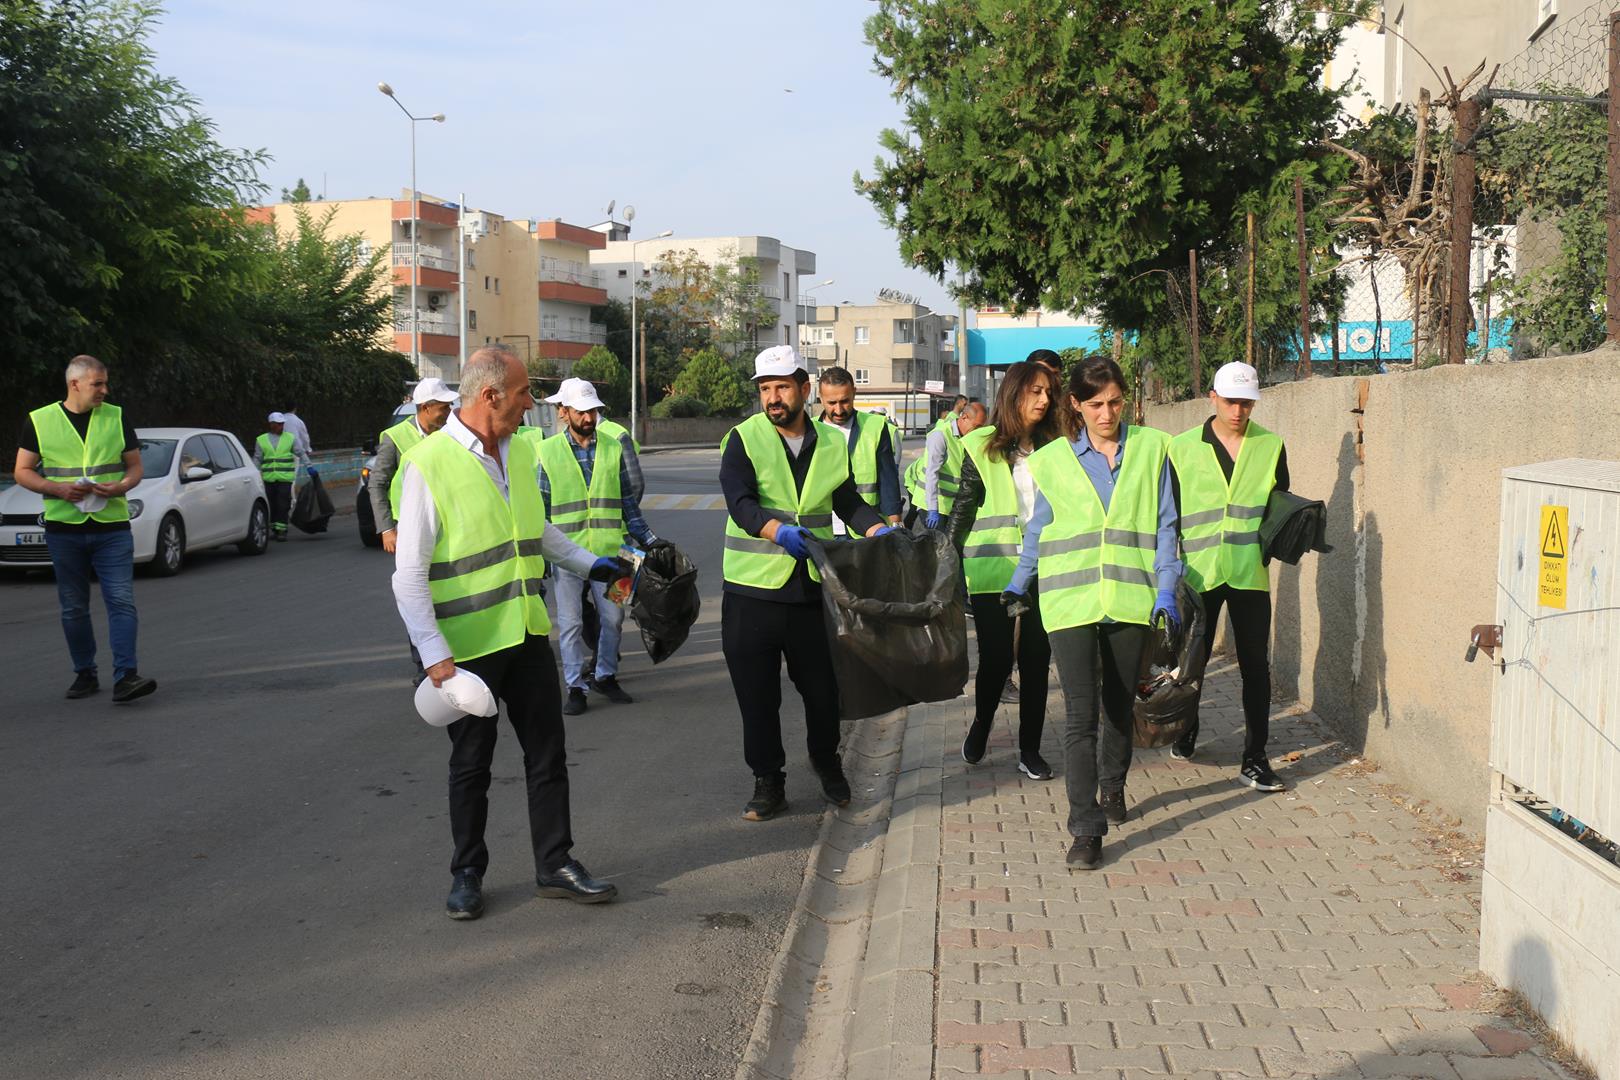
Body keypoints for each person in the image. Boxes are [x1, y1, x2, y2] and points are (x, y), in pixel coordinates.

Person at [391, 345, 622, 919]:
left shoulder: (518, 453)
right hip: (465, 649)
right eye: (523, 395)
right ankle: (467, 873)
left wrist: (593, 565)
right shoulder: (429, 463)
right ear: (490, 395)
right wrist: (435, 657)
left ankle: (556, 865)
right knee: (471, 764)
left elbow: (536, 531)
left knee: (548, 754)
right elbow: (409, 576)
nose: (531, 406)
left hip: (523, 633)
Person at [1004, 357, 1181, 870]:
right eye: (1096, 404)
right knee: (1080, 716)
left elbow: (1166, 526)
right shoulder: (1053, 460)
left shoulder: (1152, 449)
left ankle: (1113, 786)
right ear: (1076, 406)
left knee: (1119, 706)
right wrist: (1021, 579)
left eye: (1116, 402)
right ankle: (1085, 828)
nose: (1108, 413)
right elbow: (1040, 527)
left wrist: (1166, 590)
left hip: (1130, 599)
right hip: (1070, 603)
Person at [720, 345, 892, 821]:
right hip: (751, 590)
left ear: (803, 387)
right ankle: (768, 781)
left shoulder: (833, 443)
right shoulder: (743, 438)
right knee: (757, 696)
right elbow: (740, 502)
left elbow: (846, 500)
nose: (772, 398)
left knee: (821, 690)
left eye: (781, 387)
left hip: (811, 589)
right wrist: (778, 531)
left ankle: (826, 762)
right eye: (765, 389)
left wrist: (879, 530)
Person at [1167, 361, 1291, 792]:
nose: (1239, 411)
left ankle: (1255, 759)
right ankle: (1186, 729)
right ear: (1213, 398)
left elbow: (1278, 506)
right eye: (1232, 401)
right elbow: (1167, 514)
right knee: (1193, 661)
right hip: (1199, 573)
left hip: (1248, 571)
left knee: (1256, 667)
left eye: (1247, 403)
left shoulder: (1271, 445)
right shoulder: (1180, 448)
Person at [14, 355, 157, 703]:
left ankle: (127, 676)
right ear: (74, 384)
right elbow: (22, 471)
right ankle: (85, 673)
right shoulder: (40, 420)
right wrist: (57, 489)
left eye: (106, 383)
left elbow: (135, 466)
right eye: (98, 384)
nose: (104, 390)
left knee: (121, 601)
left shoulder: (117, 416)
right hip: (65, 529)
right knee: (73, 607)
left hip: (112, 527)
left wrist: (122, 486)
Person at [949, 361, 1064, 779]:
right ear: (1014, 394)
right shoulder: (980, 445)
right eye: (1035, 391)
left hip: (1044, 567)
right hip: (991, 568)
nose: (1044, 400)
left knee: (1036, 659)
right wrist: (946, 557)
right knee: (997, 660)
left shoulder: (1061, 446)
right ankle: (981, 725)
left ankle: (1029, 750)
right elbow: (963, 506)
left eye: (1048, 392)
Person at [537, 377, 662, 716]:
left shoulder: (613, 446)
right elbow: (540, 513)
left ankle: (605, 675)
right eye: (582, 412)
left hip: (617, 552)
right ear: (564, 413)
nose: (589, 418)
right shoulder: (546, 451)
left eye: (593, 411)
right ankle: (575, 686)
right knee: (571, 623)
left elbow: (628, 504)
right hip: (568, 556)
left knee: (614, 619)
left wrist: (650, 542)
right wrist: (539, 564)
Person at [370, 378, 460, 555]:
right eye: (444, 407)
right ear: (426, 407)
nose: (450, 412)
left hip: (448, 521)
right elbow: (377, 484)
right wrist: (387, 529)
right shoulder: (395, 437)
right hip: (411, 523)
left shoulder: (451, 434)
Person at [817, 365, 902, 534]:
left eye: (845, 401)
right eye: (832, 403)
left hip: (866, 528)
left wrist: (896, 524)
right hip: (824, 529)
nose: (839, 410)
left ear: (854, 393)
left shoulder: (875, 427)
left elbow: (888, 481)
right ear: (820, 398)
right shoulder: (811, 430)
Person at [904, 400, 985, 528]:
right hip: (933, 505)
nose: (977, 432)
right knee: (937, 545)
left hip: (952, 505)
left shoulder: (967, 438)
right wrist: (932, 508)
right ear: (964, 418)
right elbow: (932, 473)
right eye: (976, 427)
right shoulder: (940, 435)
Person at [253, 412, 310, 542]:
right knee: (271, 504)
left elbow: (300, 452)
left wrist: (309, 466)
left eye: (282, 424)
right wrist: (254, 473)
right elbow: (257, 458)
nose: (281, 426)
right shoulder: (261, 440)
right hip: (269, 478)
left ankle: (282, 530)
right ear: (271, 425)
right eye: (278, 424)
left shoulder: (290, 438)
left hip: (285, 477)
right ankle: (275, 528)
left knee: (283, 503)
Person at [281, 403, 312, 478]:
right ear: (295, 409)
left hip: (279, 451)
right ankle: (289, 490)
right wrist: (307, 449)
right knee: (291, 476)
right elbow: (305, 437)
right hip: (293, 451)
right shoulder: (298, 421)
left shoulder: (280, 420)